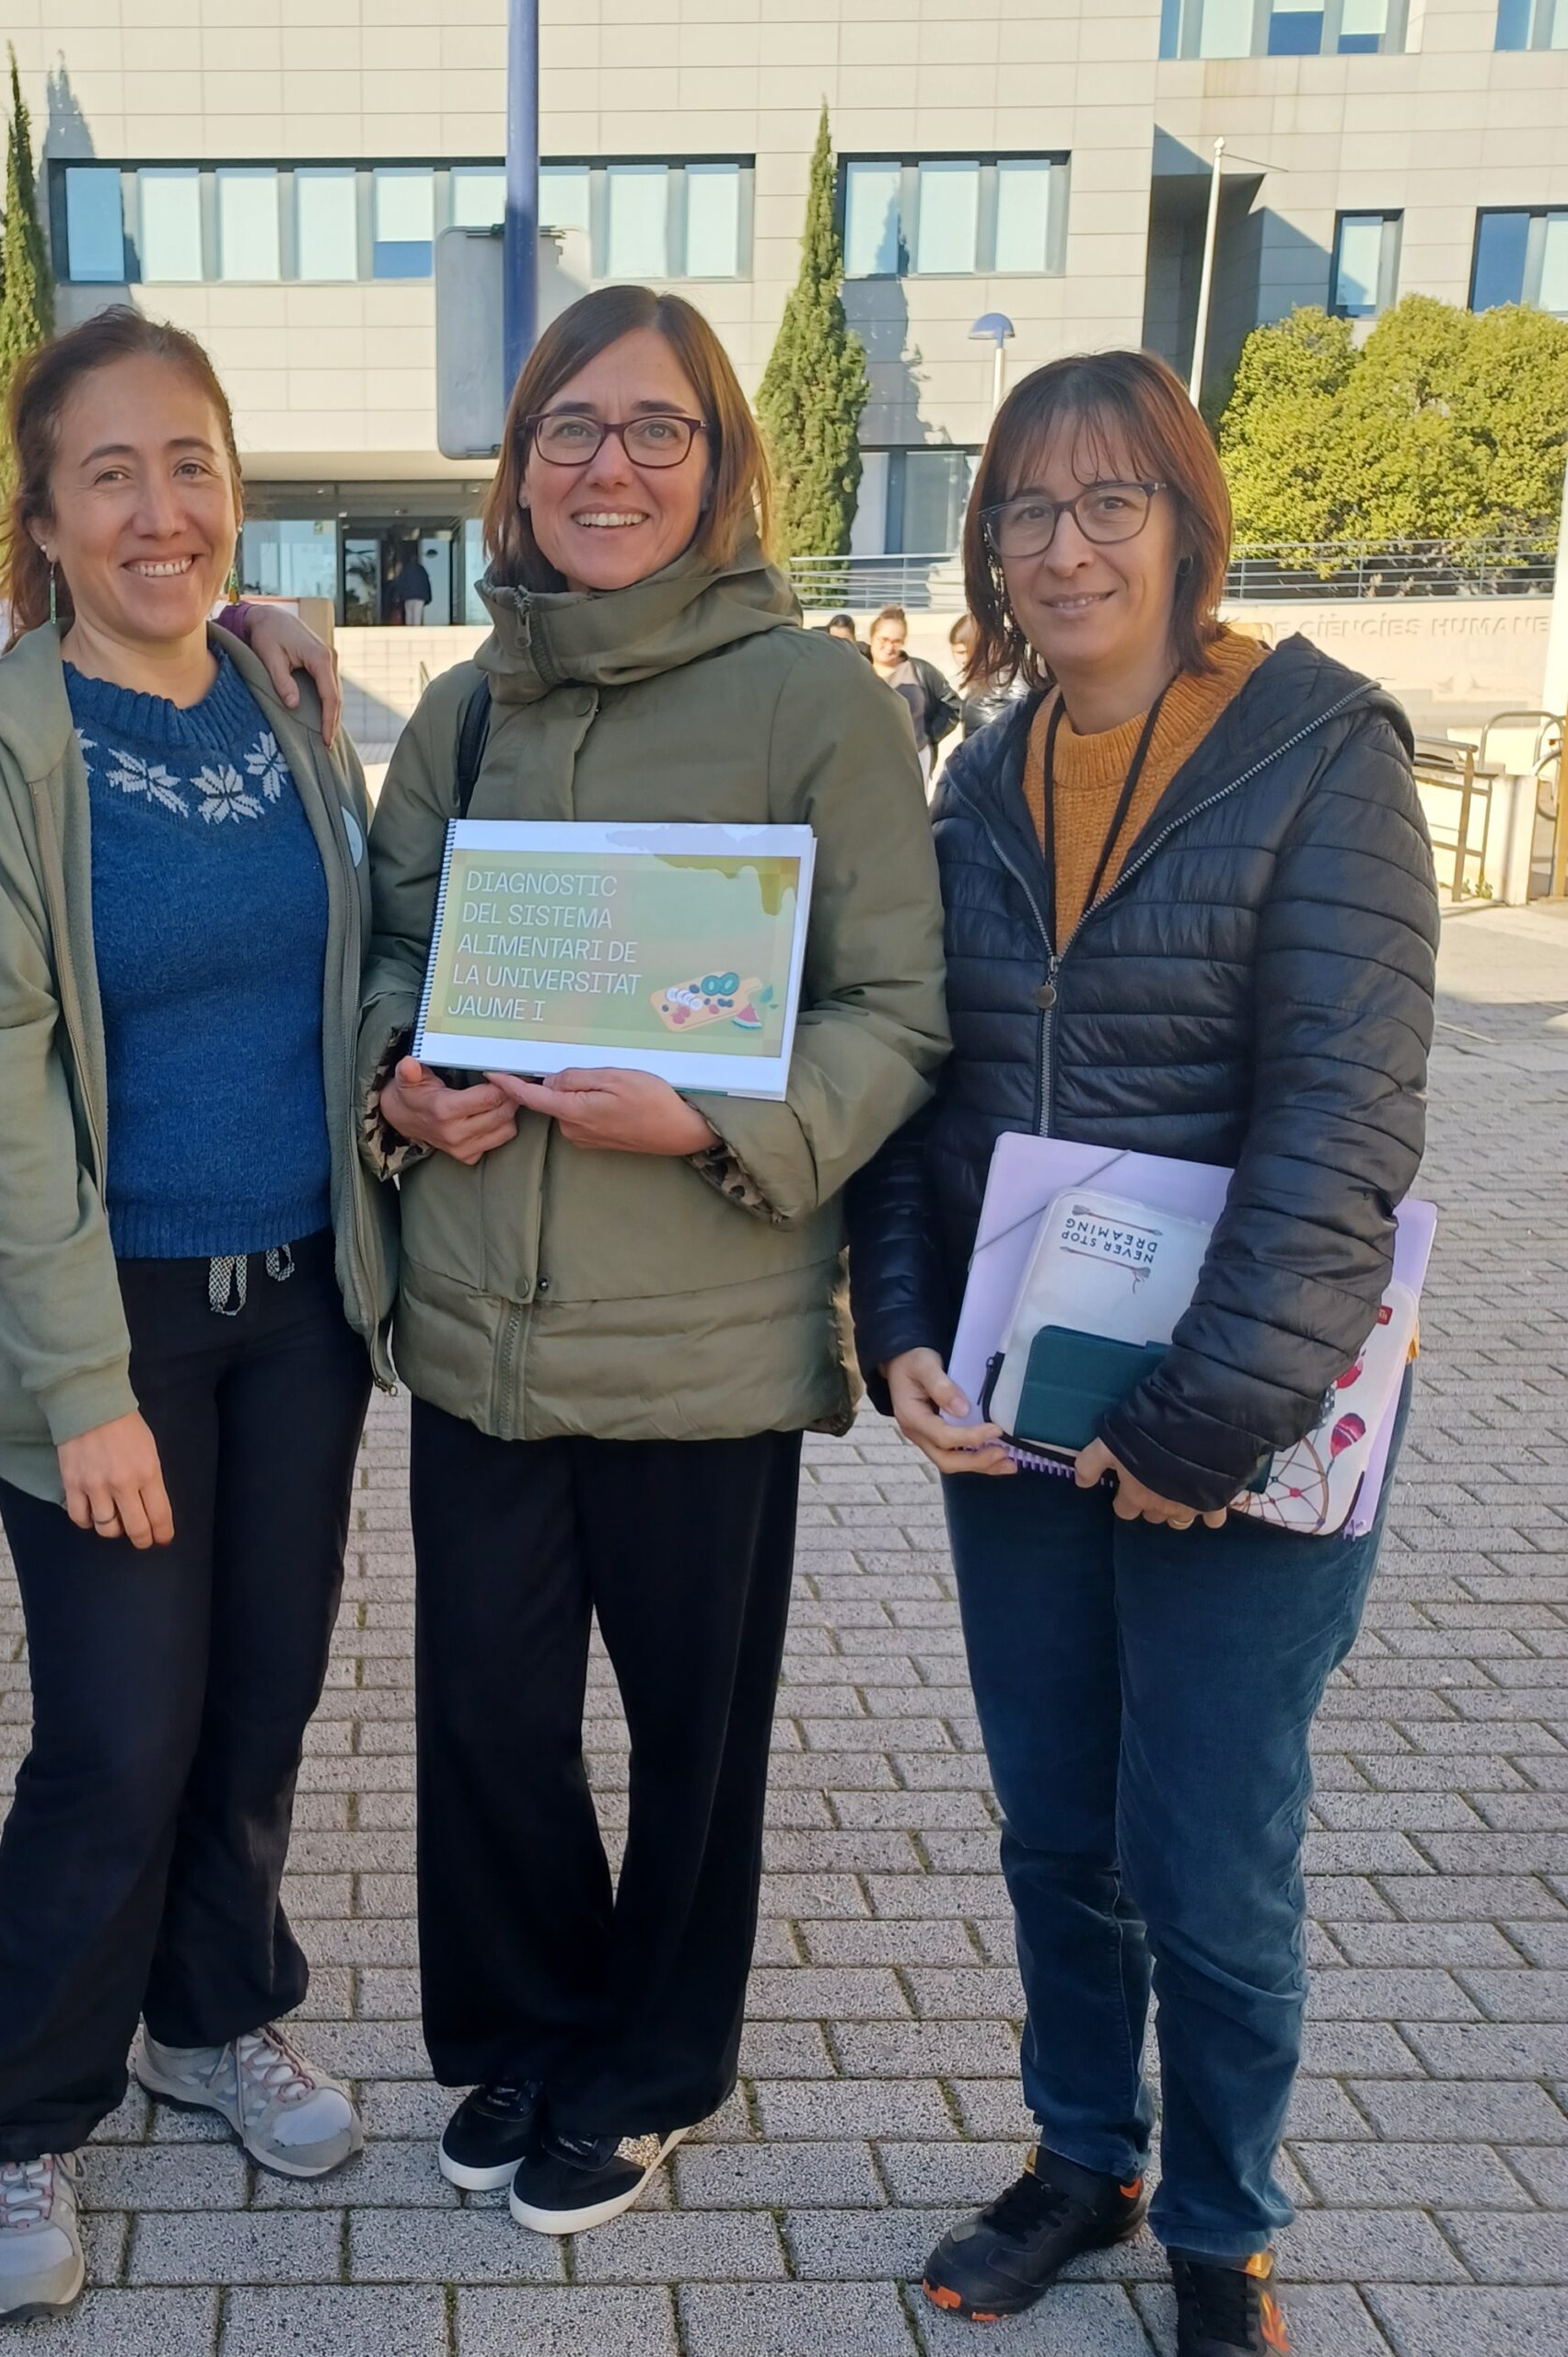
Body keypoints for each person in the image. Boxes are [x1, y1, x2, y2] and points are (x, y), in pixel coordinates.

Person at [847, 350, 1438, 2357]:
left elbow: (1342, 1130)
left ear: (1189, 523)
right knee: (1056, 1831)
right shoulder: (975, 782)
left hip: (1244, 1424)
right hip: (1023, 1414)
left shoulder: (1320, 753)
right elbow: (919, 1091)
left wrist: (1196, 1423)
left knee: (1209, 1856)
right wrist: (899, 1327)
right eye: (1026, 506)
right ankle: (1083, 2155)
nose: (1066, 543)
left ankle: (1219, 2221)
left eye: (1112, 500)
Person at [361, 285, 950, 2238]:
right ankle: (533, 2029)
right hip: (483, 1332)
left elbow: (895, 1006)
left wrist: (709, 1121)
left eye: (655, 429)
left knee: (693, 1740)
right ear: (517, 467)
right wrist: (400, 1074)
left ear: (719, 463)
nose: (608, 466)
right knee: (488, 1725)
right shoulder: (466, 707)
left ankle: (654, 2062)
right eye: (571, 429)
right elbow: (394, 945)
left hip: (703, 1338)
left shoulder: (811, 703)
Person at [0, 308, 394, 2324]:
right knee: (118, 1734)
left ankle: (214, 2011)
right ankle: (20, 2118)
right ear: (39, 520)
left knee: (259, 1701)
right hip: (104, 1323)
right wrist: (80, 1384)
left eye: (189, 462)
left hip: (302, 1307)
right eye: (108, 473)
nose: (158, 508)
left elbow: (357, 949)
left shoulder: (285, 697)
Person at [870, 602, 962, 779]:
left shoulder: (920, 671)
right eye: (883, 639)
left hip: (914, 759)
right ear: (872, 636)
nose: (889, 647)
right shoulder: (859, 671)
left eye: (896, 641)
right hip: (869, 761)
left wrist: (929, 736)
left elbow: (952, 705)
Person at [948, 608, 1024, 737]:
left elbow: (1023, 725)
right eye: (957, 653)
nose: (962, 660)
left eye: (964, 652)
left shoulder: (1008, 678)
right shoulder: (982, 679)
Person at [389, 544, 433, 624]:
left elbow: (400, 584)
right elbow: (427, 584)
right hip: (419, 597)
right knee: (417, 616)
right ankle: (416, 630)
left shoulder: (405, 570)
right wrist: (428, 598)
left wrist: (396, 596)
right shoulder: (422, 570)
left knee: (409, 615)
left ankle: (410, 630)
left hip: (408, 597)